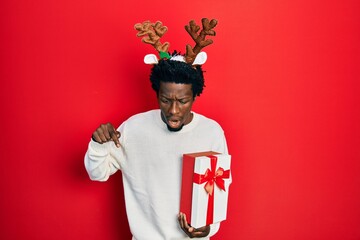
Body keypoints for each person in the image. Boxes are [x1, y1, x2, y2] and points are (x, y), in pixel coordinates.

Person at [84, 19, 229, 240]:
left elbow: (219, 188)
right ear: (156, 94)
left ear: (194, 96)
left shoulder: (212, 132)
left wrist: (208, 229)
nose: (173, 110)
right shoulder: (133, 128)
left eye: (182, 101)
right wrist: (98, 144)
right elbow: (97, 174)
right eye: (165, 99)